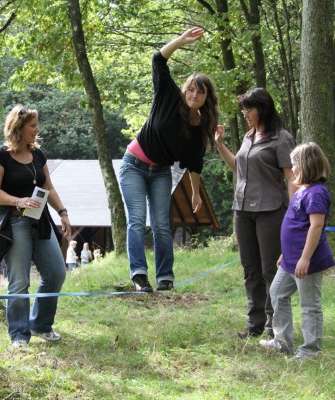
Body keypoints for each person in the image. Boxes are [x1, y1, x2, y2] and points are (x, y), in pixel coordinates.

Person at [119, 27, 219, 292]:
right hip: (133, 165)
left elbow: (194, 164)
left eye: (200, 93)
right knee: (137, 219)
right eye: (191, 90)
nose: (193, 95)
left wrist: (196, 194)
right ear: (185, 89)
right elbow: (158, 60)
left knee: (162, 224)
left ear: (206, 99)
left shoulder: (200, 128)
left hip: (160, 172)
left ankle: (165, 278)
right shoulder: (168, 95)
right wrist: (181, 41)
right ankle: (139, 275)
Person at [0, 104, 70, 348]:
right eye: (32, 125)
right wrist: (17, 200)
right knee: (19, 281)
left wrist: (62, 212)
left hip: (40, 221)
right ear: (18, 128)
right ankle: (20, 336)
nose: (37, 129)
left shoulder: (38, 155)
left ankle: (41, 325)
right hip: (14, 222)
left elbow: (49, 188)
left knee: (56, 273)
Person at [215, 87, 297, 339]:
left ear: (262, 109)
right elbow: (237, 168)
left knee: (270, 270)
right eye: (243, 109)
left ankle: (275, 326)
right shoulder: (248, 136)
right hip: (242, 211)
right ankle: (255, 324)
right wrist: (219, 144)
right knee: (250, 269)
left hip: (271, 211)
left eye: (248, 109)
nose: (244, 113)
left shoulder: (281, 138)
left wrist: (296, 214)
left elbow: (291, 178)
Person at [259, 142, 335, 360]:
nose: (292, 170)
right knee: (277, 293)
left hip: (307, 262)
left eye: (295, 165)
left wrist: (304, 258)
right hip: (290, 260)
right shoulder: (303, 191)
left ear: (307, 166)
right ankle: (282, 341)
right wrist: (287, 253)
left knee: (310, 305)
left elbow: (316, 226)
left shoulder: (317, 193)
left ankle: (311, 351)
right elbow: (295, 226)